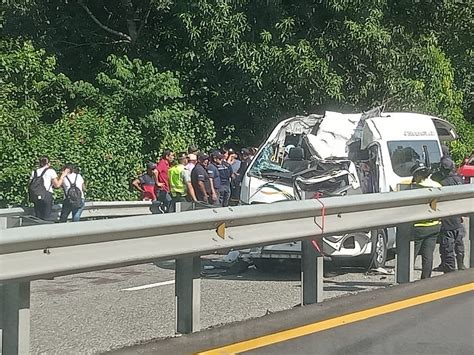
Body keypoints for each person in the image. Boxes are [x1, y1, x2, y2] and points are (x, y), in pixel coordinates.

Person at [432, 158, 466, 272]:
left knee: (447, 245)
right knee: (459, 243)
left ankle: (450, 270)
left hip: (447, 218)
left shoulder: (442, 183)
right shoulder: (459, 180)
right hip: (458, 215)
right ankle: (461, 265)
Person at [410, 163, 442, 279]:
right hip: (435, 225)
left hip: (419, 226)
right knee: (428, 256)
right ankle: (425, 280)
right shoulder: (437, 185)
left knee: (411, 255)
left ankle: (406, 279)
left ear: (418, 175)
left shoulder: (415, 188)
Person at [29, 156, 70, 221]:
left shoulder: (34, 172)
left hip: (35, 195)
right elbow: (57, 185)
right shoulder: (51, 171)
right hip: (46, 195)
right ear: (48, 163)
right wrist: (62, 176)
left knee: (38, 217)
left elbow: (30, 184)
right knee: (46, 217)